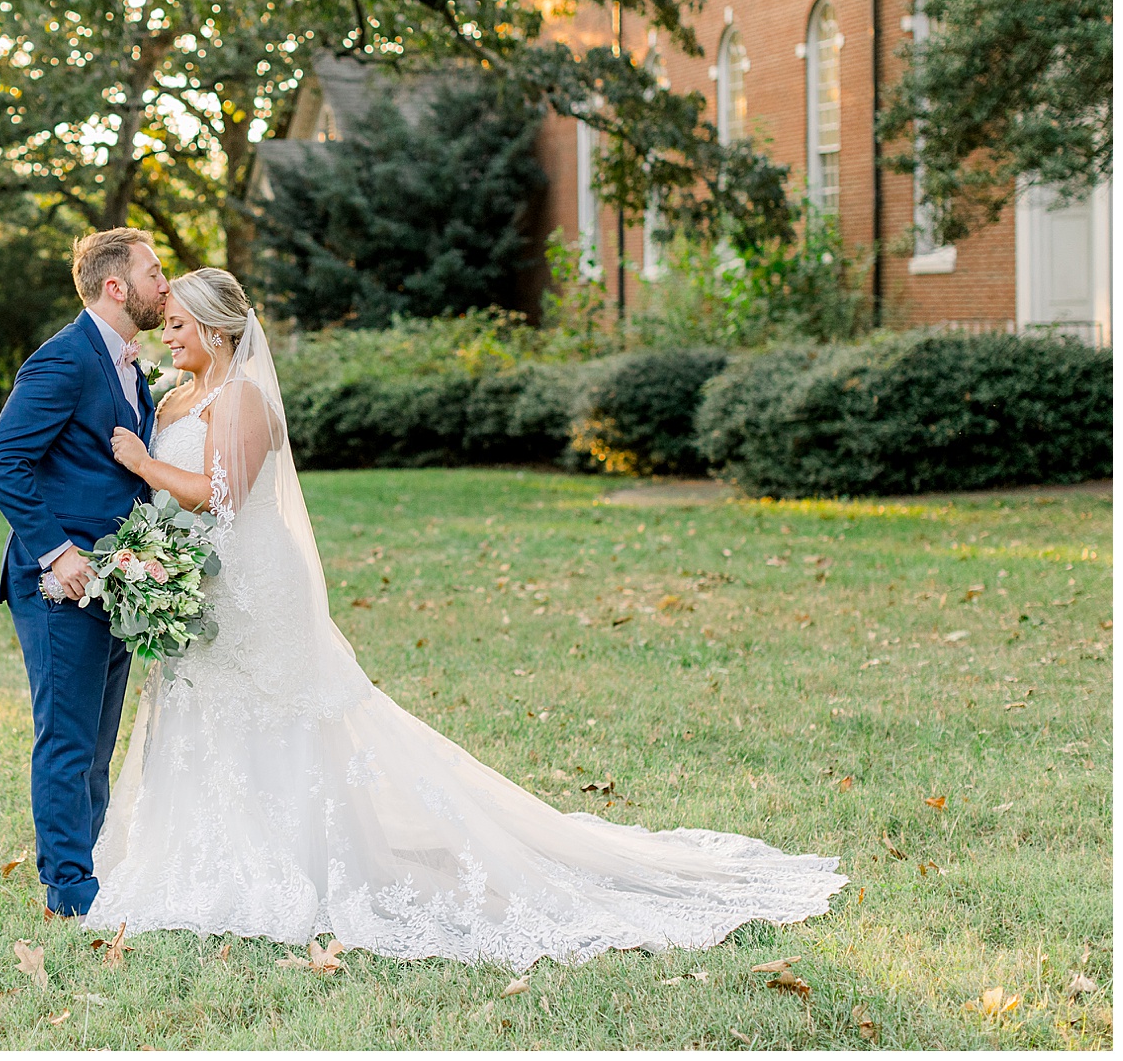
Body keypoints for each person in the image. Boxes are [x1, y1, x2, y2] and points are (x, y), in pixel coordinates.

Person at [88, 266, 847, 971]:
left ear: (217, 330)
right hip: (198, 586)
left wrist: (144, 462)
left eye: (180, 325)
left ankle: (297, 859)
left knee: (279, 712)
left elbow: (221, 494)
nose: (169, 336)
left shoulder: (243, 398)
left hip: (255, 585)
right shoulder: (173, 397)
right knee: (205, 710)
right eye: (169, 325)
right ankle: (213, 852)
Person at [0, 227, 169, 920]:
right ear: (116, 286)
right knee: (66, 737)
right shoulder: (64, 358)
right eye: (154, 272)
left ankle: (88, 867)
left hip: (114, 580)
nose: (165, 284)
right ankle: (69, 890)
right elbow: (1, 460)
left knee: (95, 742)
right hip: (60, 586)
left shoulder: (127, 364)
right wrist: (57, 551)